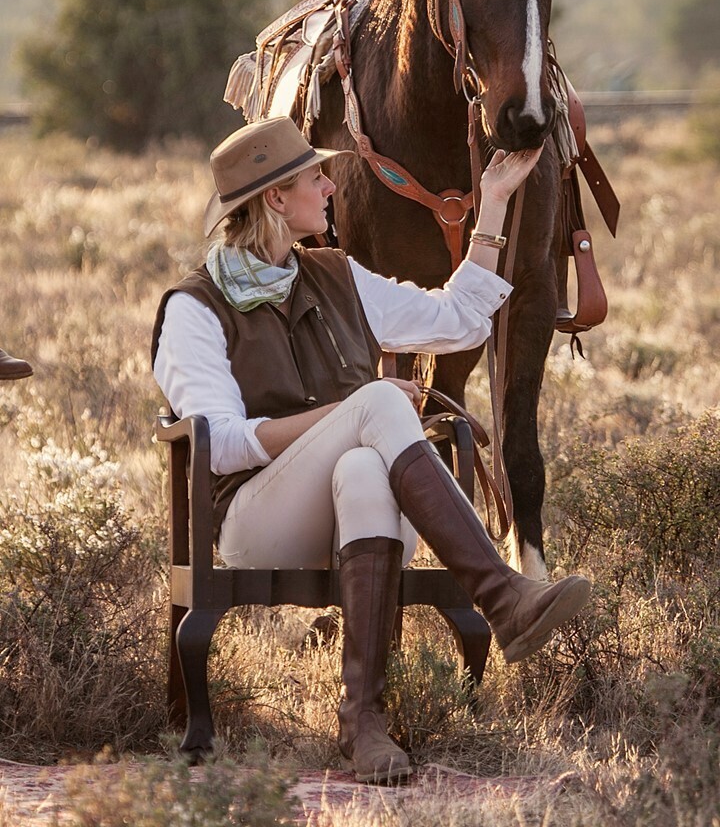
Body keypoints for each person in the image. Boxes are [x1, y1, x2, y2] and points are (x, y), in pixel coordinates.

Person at [152, 116, 591, 785]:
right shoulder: (194, 308)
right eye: (313, 178)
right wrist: (353, 409)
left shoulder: (336, 276)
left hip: (359, 518)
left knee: (363, 463)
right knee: (382, 400)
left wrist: (494, 201)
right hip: (258, 523)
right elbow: (225, 445)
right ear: (275, 199)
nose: (330, 186)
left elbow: (458, 319)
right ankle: (502, 595)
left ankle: (363, 723)